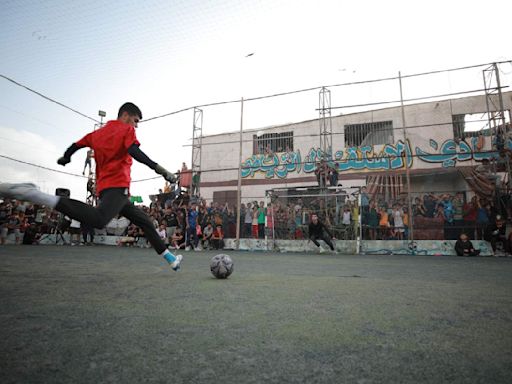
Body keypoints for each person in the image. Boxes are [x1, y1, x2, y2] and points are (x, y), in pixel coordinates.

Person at [0, 102, 182, 271]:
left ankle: (170, 259)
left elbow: (76, 145)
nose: (136, 126)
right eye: (135, 121)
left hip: (106, 190)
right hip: (117, 187)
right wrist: (159, 169)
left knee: (144, 220)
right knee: (99, 220)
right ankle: (36, 195)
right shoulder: (126, 130)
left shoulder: (97, 134)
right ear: (126, 115)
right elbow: (133, 151)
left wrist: (66, 156)